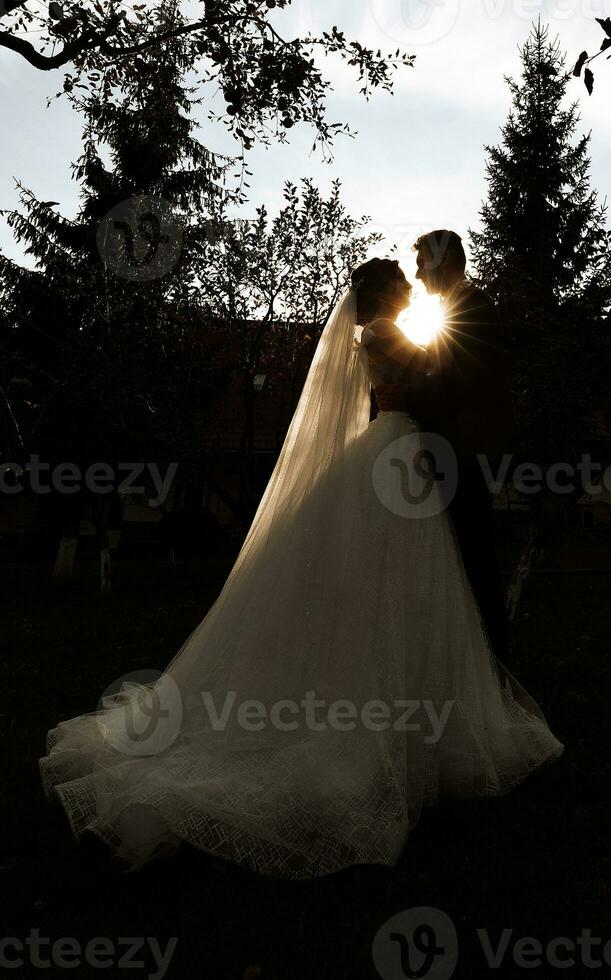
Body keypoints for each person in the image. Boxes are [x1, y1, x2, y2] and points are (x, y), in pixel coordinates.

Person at [40, 258, 562, 880]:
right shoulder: (386, 333)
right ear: (381, 291)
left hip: (396, 454)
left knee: (394, 588)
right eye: (399, 279)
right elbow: (429, 381)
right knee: (393, 585)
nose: (407, 285)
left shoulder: (379, 332)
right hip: (398, 453)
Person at [376, 231, 515, 664]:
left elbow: (459, 386)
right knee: (458, 564)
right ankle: (467, 664)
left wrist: (406, 396)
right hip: (451, 453)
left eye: (422, 265)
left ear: (442, 262)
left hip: (462, 455)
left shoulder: (471, 308)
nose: (417, 275)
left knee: (473, 565)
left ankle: (491, 668)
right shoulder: (456, 307)